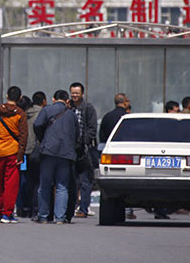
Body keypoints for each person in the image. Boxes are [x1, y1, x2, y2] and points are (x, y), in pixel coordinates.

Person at [33, 90, 79, 224]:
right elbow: (78, 133)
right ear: (67, 100)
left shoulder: (47, 110)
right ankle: (60, 217)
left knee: (45, 184)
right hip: (66, 153)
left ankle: (43, 215)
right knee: (62, 186)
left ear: (54, 99)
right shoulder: (71, 114)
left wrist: (43, 139)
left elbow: (37, 125)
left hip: (48, 152)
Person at [0, 86, 27, 224]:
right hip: (13, 152)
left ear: (6, 95)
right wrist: (20, 155)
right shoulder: (20, 113)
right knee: (11, 184)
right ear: (20, 98)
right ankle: (7, 213)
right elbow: (23, 136)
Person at [99, 93, 132, 218]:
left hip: (111, 152)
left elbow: (102, 135)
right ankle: (128, 212)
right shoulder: (127, 117)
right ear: (124, 102)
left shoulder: (107, 116)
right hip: (126, 152)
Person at [69, 82, 98, 219]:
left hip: (84, 150)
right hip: (70, 148)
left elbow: (92, 128)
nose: (74, 95)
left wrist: (84, 142)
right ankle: (72, 207)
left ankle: (83, 208)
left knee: (85, 180)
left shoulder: (88, 108)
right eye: (73, 93)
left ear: (82, 94)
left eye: (77, 93)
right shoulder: (68, 107)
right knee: (72, 180)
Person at [18, 91, 46, 219]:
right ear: (44, 101)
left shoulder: (23, 114)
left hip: (24, 151)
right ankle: (35, 208)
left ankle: (24, 207)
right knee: (37, 181)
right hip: (36, 151)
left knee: (26, 180)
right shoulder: (42, 114)